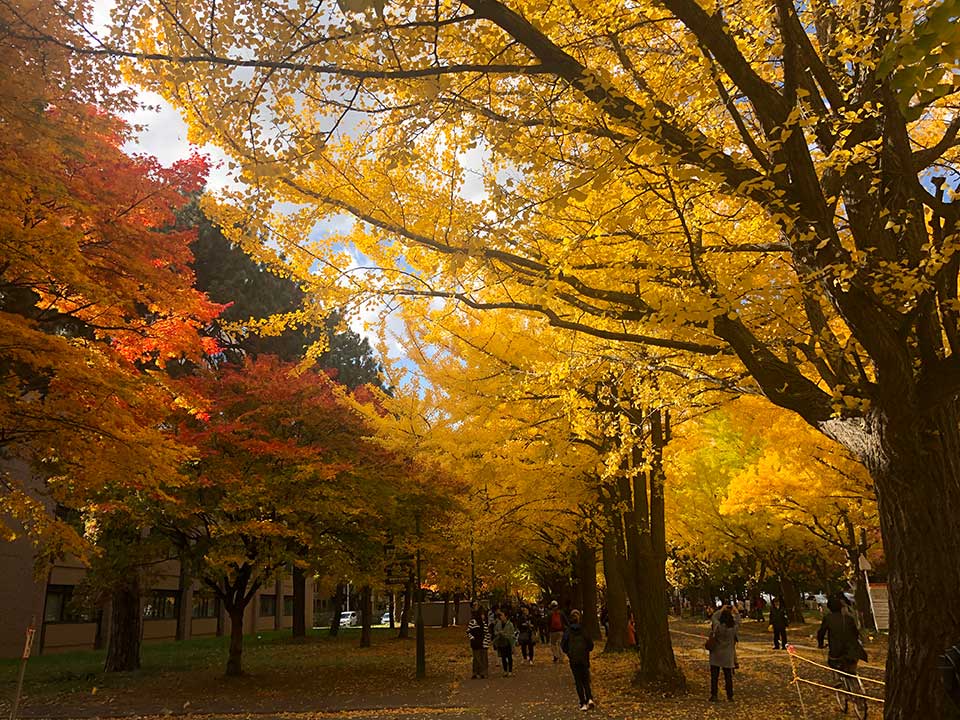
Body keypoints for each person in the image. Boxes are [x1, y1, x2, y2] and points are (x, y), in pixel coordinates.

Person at [817, 594, 862, 673]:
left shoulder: (828, 618)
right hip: (851, 650)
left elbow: (821, 633)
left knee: (832, 662)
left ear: (829, 607)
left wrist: (820, 644)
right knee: (851, 666)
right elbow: (856, 633)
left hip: (836, 652)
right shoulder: (849, 618)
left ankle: (837, 679)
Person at [560, 609, 595, 711]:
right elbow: (590, 645)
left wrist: (569, 653)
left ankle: (582, 703)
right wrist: (586, 651)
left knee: (578, 681)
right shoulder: (584, 630)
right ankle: (589, 698)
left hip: (574, 659)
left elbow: (563, 645)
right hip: (584, 658)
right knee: (586, 680)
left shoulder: (568, 632)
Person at [708, 607, 738, 702]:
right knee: (728, 677)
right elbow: (738, 621)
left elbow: (713, 617)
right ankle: (730, 695)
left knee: (714, 676)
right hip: (727, 655)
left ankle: (714, 695)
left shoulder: (717, 626)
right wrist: (735, 611)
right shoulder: (733, 629)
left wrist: (721, 610)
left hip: (716, 654)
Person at [466, 607, 491, 679]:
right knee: (477, 658)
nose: (483, 616)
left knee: (483, 658)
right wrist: (472, 638)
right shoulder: (473, 622)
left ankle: (483, 672)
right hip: (476, 643)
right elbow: (468, 631)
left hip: (483, 643)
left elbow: (487, 633)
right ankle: (476, 672)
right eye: (482, 614)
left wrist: (487, 641)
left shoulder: (484, 623)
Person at [493, 609, 517, 676]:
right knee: (503, 657)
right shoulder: (498, 624)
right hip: (501, 642)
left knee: (509, 656)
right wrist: (498, 633)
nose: (501, 617)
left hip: (508, 642)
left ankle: (510, 671)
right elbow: (495, 631)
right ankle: (505, 670)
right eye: (500, 615)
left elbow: (512, 635)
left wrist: (506, 635)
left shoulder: (510, 624)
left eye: (502, 615)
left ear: (506, 616)